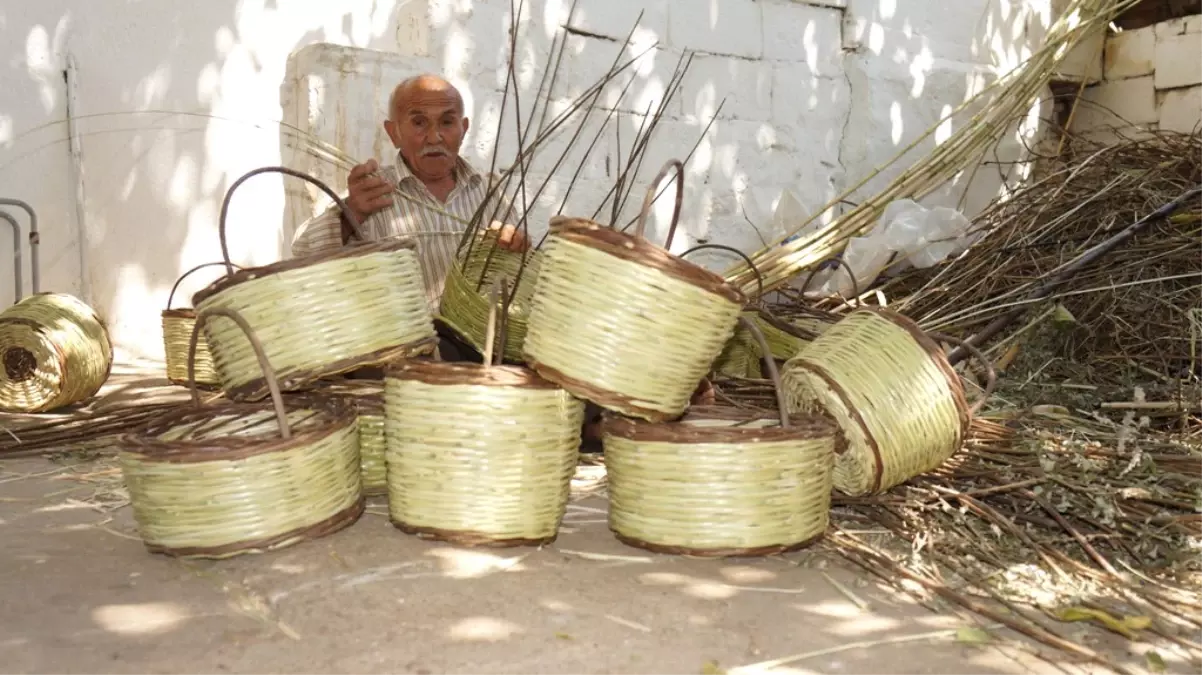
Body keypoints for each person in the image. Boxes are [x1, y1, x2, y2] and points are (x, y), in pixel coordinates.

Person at [290, 73, 527, 361]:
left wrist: (517, 247)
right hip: (405, 361)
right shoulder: (372, 191)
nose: (434, 137)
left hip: (484, 355)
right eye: (418, 123)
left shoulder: (491, 194)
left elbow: (521, 280)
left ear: (463, 129)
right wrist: (351, 212)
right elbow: (301, 255)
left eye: (447, 122)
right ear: (393, 132)